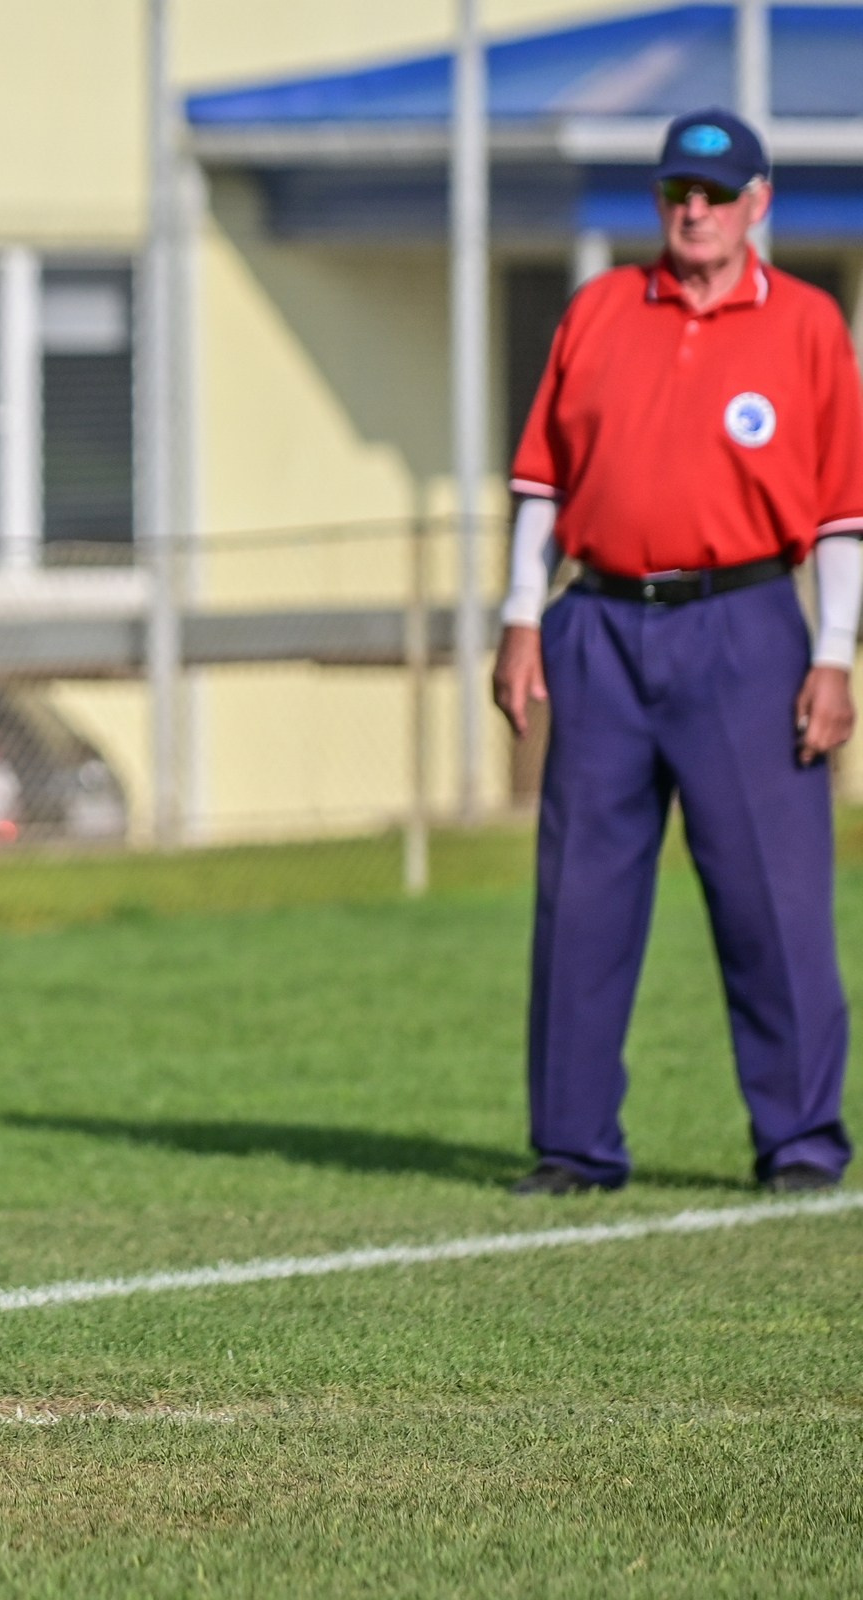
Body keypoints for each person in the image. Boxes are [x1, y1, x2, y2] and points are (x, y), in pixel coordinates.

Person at [494, 108, 863, 1197]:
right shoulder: (601, 310)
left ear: (758, 203)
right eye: (676, 194)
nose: (692, 212)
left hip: (745, 625)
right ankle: (573, 1144)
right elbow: (541, 482)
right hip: (598, 621)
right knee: (582, 896)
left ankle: (798, 1140)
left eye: (714, 194)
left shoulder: (804, 326)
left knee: (772, 896)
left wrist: (834, 653)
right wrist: (522, 614)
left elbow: (842, 510)